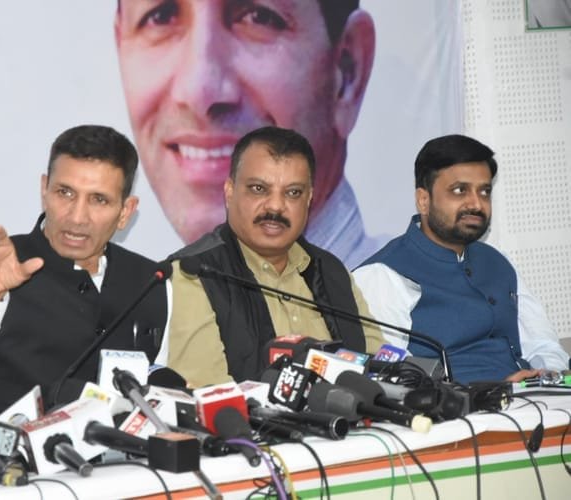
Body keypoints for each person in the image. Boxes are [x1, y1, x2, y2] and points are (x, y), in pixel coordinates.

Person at [0, 125, 168, 423]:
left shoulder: (152, 281)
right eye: (65, 193)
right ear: (44, 190)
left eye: (99, 199)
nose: (77, 217)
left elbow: (154, 398)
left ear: (125, 211)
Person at [115, 0, 380, 267]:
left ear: (348, 72)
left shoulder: (398, 292)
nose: (200, 92)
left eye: (259, 17)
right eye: (161, 17)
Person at [163, 126, 384, 387]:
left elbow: (378, 369)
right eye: (259, 189)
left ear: (309, 199)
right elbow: (209, 391)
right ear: (229, 191)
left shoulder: (331, 271)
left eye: (293, 193)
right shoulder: (194, 273)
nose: (276, 206)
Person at [353, 134, 569, 384]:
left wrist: (549, 375)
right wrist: (491, 392)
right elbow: (392, 377)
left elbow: (542, 345)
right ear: (423, 200)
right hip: (456, 406)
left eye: (484, 191)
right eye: (459, 190)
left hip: (534, 398)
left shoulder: (497, 262)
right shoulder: (383, 274)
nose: (476, 203)